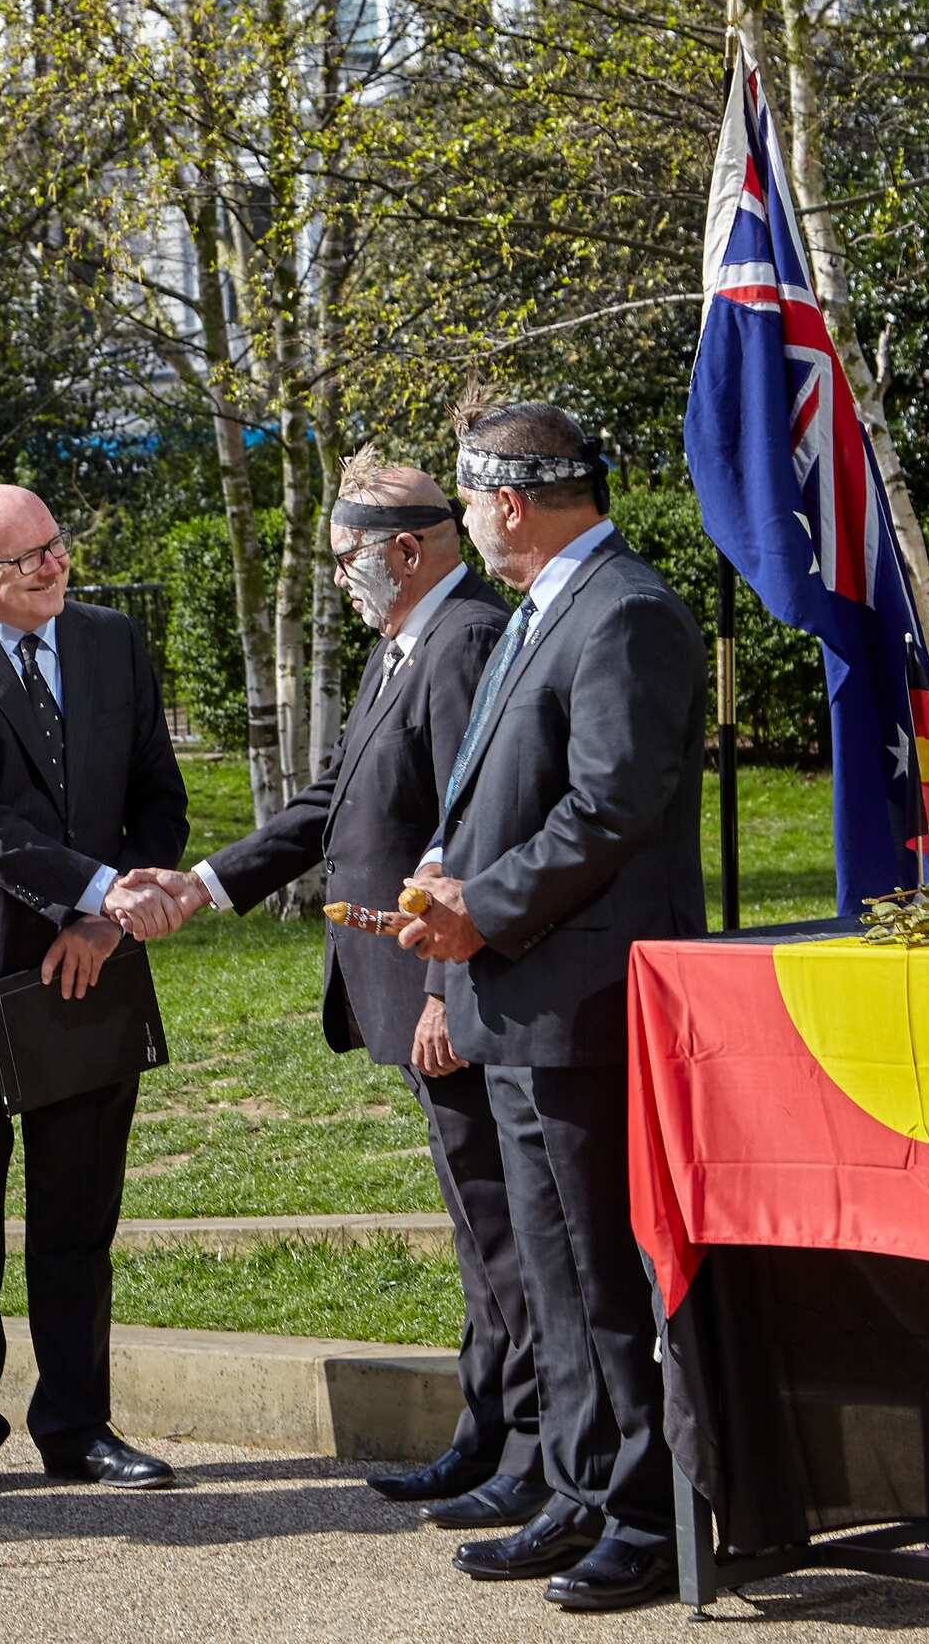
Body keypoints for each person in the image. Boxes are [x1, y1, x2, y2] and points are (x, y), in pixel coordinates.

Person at [118, 449, 548, 1531]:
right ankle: (485, 1433)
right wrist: (203, 884)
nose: (340, 578)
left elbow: (468, 837)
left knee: (499, 1229)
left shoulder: (461, 646)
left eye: (347, 558)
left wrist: (447, 989)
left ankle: (535, 1454)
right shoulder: (406, 644)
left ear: (405, 551)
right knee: (473, 1222)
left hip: (443, 993)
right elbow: (330, 804)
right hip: (404, 990)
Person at [399, 396, 706, 1612]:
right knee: (553, 1270)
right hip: (523, 996)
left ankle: (646, 1514)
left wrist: (485, 902)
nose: (469, 523)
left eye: (470, 502)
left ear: (508, 503)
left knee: (599, 1271)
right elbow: (504, 787)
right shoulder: (549, 605)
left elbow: (609, 807)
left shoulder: (623, 611)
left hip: (583, 998)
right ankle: (581, 1489)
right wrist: (444, 874)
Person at [0, 484, 189, 1504]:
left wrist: (106, 924)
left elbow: (157, 799)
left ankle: (77, 1425)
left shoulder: (110, 641)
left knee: (76, 1212)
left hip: (86, 970)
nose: (52, 568)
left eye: (55, 546)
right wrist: (97, 892)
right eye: (24, 562)